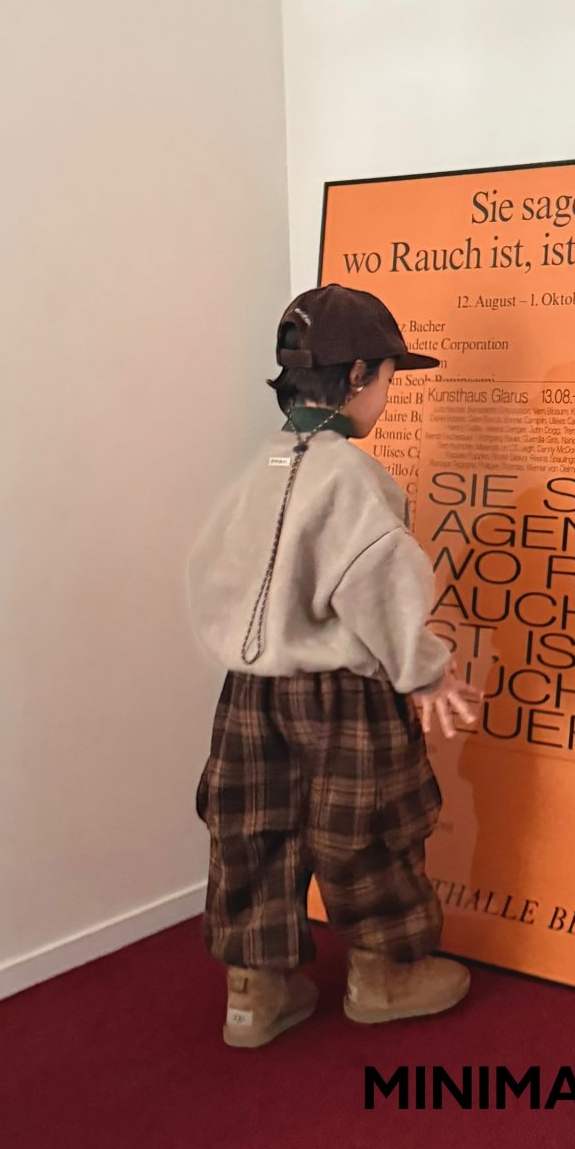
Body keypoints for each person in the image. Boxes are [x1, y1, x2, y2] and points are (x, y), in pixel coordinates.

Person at [187, 283, 481, 1048]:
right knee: (367, 828)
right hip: (343, 694)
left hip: (250, 693)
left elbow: (211, 573)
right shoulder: (352, 478)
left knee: (252, 827)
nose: (385, 395)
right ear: (355, 377)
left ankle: (254, 991)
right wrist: (426, 671)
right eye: (386, 379)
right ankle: (384, 975)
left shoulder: (258, 470)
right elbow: (381, 585)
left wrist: (243, 644)